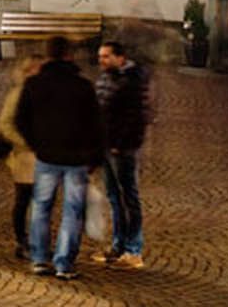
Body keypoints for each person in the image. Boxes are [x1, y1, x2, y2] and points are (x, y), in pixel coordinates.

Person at [15, 35, 103, 280]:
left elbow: (21, 119)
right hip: (76, 158)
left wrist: (36, 144)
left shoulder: (34, 84)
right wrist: (94, 157)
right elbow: (96, 125)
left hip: (47, 156)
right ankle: (64, 263)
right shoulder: (83, 86)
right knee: (72, 211)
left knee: (41, 207)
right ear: (69, 55)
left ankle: (39, 258)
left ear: (48, 55)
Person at [95, 40, 151, 269]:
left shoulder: (132, 81)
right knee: (114, 198)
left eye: (106, 56)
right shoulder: (107, 77)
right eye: (100, 56)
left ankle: (133, 250)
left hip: (121, 148)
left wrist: (120, 143)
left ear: (120, 58)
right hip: (106, 145)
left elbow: (137, 118)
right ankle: (118, 246)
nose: (102, 60)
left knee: (129, 198)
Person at [0, 56, 42, 259]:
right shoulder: (18, 94)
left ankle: (37, 240)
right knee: (24, 199)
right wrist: (25, 143)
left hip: (42, 156)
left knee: (41, 201)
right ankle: (23, 240)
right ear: (28, 71)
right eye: (38, 69)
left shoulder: (40, 92)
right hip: (25, 157)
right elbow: (5, 123)